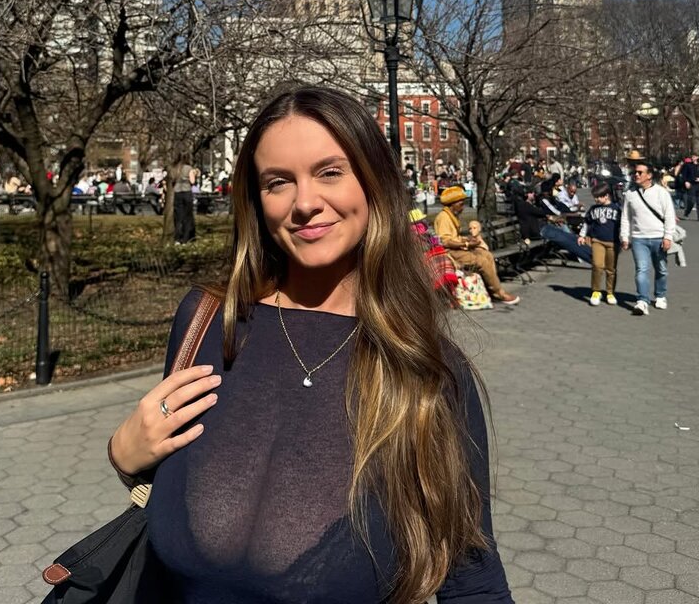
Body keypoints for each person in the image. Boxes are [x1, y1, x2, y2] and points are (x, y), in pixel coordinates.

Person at [108, 88, 513, 602]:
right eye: (278, 182)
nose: (304, 203)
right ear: (256, 200)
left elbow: (473, 581)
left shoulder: (425, 372)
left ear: (374, 181)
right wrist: (123, 457)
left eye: (330, 172)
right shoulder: (209, 321)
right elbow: (174, 503)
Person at [434, 185, 520, 305]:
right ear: (452, 204)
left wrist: (468, 239)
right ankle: (499, 293)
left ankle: (491, 289)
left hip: (458, 248)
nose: (463, 207)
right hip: (451, 252)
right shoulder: (444, 217)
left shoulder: (451, 215)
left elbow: (454, 237)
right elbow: (445, 241)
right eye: (460, 204)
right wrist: (467, 243)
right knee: (482, 261)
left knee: (487, 255)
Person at [620, 161, 676, 316]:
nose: (636, 175)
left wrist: (668, 236)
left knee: (661, 269)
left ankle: (660, 295)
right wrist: (625, 236)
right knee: (641, 269)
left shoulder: (661, 193)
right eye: (635, 172)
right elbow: (626, 217)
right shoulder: (630, 194)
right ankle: (642, 301)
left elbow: (669, 215)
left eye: (640, 172)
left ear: (649, 175)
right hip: (639, 238)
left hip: (659, 237)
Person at [579, 183, 621, 306]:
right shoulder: (593, 209)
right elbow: (587, 222)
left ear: (606, 196)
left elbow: (623, 225)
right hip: (597, 241)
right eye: (595, 197)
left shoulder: (616, 209)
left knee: (611, 269)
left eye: (598, 197)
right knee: (597, 265)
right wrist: (582, 235)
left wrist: (625, 239)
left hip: (613, 242)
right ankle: (596, 291)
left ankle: (610, 292)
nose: (596, 199)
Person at [172, 154, 197, 244]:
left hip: (177, 192)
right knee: (187, 216)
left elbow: (172, 180)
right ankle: (186, 238)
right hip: (186, 192)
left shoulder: (175, 168)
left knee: (178, 217)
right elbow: (192, 181)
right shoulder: (189, 168)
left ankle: (177, 238)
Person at [681, 154, 699, 222]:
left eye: (694, 157)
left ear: (697, 157)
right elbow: (684, 174)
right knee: (691, 201)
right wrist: (686, 182)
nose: (693, 158)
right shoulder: (688, 165)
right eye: (692, 157)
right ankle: (687, 213)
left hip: (698, 185)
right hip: (691, 184)